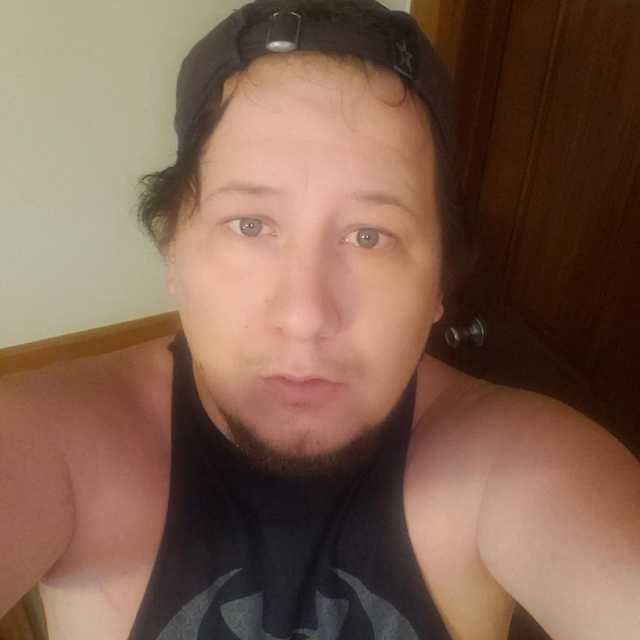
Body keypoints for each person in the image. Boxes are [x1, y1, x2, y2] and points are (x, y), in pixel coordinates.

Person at [1, 1, 639, 639]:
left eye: (370, 236)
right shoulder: (61, 445)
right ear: (174, 251)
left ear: (440, 283)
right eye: (250, 225)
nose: (305, 317)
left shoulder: (515, 460)